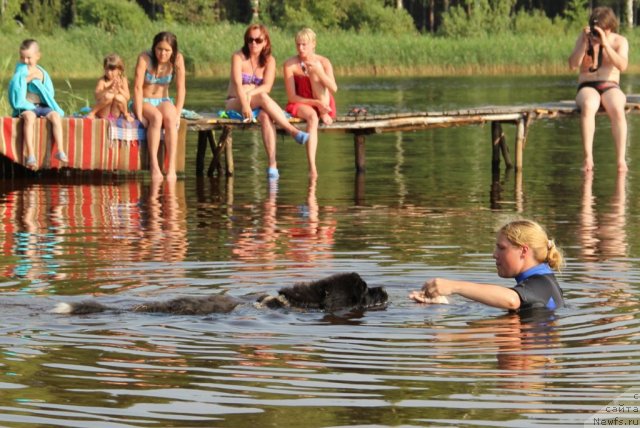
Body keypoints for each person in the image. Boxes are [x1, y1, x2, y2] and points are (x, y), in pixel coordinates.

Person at [410, 219, 565, 312]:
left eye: (502, 248)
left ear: (523, 251)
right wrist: (445, 303)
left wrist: (454, 286)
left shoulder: (543, 283)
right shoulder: (543, 282)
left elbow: (512, 300)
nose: (494, 254)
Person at [226, 24, 310, 180]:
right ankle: (293, 131)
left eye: (258, 40)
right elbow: (238, 85)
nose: (253, 44)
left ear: (265, 42)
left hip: (256, 103)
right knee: (263, 97)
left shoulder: (269, 60)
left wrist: (250, 92)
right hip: (235, 102)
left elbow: (267, 86)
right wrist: (245, 103)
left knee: (265, 116)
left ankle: (272, 166)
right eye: (250, 40)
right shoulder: (238, 57)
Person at [568, 6, 629, 173]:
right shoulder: (584, 38)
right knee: (589, 104)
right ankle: (588, 157)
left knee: (617, 106)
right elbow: (573, 65)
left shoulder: (619, 41)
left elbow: (622, 65)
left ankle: (620, 160)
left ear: (609, 28)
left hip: (610, 85)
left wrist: (605, 44)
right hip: (587, 85)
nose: (598, 34)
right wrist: (584, 44)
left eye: (602, 30)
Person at [284, 28, 338, 180]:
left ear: (313, 44)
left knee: (314, 70)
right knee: (312, 117)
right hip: (301, 102)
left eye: (304, 45)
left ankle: (323, 111)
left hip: (324, 102)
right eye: (298, 45)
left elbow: (334, 88)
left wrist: (319, 72)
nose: (300, 48)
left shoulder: (324, 62)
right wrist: (315, 103)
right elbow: (292, 96)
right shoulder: (289, 65)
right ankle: (312, 167)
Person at [133, 31, 186, 181]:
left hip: (163, 100)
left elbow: (181, 88)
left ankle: (171, 168)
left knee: (169, 117)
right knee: (156, 118)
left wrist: (178, 113)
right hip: (144, 100)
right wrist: (138, 114)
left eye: (167, 50)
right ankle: (154, 166)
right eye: (159, 49)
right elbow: (137, 88)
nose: (162, 53)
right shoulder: (145, 58)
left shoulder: (178, 59)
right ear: (154, 47)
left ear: (173, 51)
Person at [8, 39, 68, 170]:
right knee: (29, 117)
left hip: (42, 106)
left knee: (56, 116)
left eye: (29, 58)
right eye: (22, 57)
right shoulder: (21, 72)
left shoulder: (42, 72)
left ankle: (60, 150)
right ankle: (31, 154)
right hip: (27, 106)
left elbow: (48, 92)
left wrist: (39, 81)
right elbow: (16, 87)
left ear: (37, 56)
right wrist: (27, 80)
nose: (25, 61)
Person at [86, 53, 134, 122]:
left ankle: (126, 114)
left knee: (119, 97)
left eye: (112, 70)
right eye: (106, 69)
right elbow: (97, 96)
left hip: (115, 113)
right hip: (104, 113)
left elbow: (127, 97)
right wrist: (108, 88)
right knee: (109, 96)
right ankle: (93, 112)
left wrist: (119, 89)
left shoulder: (123, 80)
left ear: (119, 71)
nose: (108, 72)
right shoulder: (103, 80)